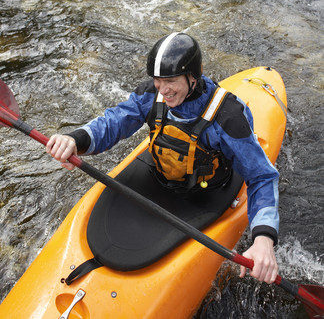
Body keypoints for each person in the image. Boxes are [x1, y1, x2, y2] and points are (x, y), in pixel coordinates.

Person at [46, 32, 279, 284]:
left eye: (171, 81)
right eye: (157, 80)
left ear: (193, 76)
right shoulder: (152, 96)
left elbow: (262, 176)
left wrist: (263, 239)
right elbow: (114, 122)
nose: (163, 90)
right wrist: (75, 140)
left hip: (205, 194)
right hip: (158, 178)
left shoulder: (228, 118)